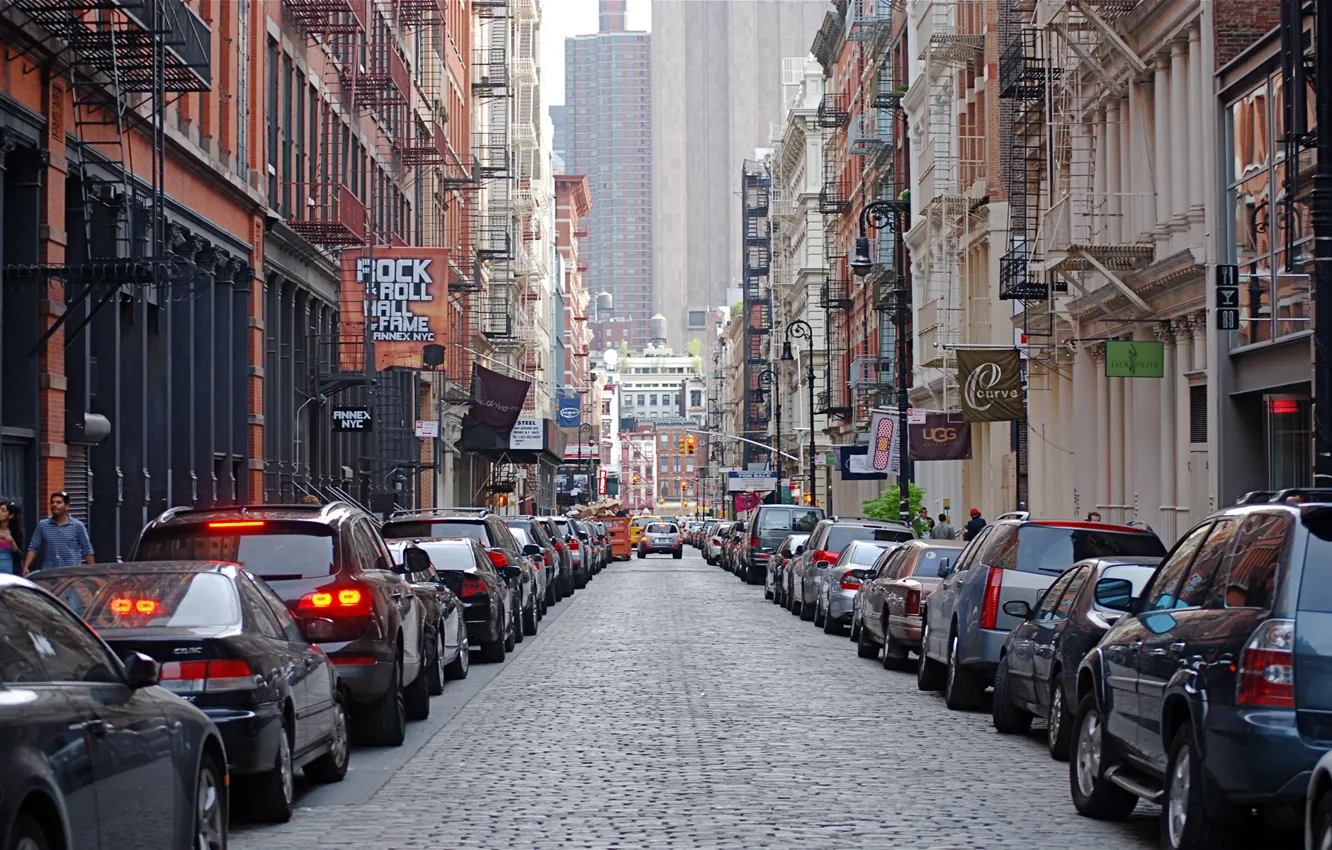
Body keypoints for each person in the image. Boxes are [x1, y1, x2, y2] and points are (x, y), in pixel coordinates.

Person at [23, 491, 94, 574]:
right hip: (49, 572)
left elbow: (87, 550)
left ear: (67, 506)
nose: (55, 505)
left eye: (59, 502)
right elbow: (33, 547)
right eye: (52, 502)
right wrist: (26, 566)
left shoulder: (78, 526)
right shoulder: (43, 525)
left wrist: (93, 571)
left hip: (71, 573)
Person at [0, 500, 23, 574]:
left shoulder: (16, 532)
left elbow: (20, 556)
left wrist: (12, 542)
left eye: (3, 511)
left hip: (10, 570)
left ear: (11, 515)